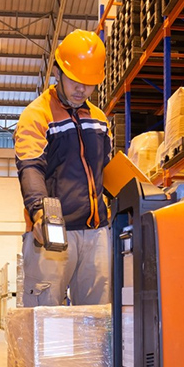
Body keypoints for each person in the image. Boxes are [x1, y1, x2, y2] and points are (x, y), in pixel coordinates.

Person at [14, 29, 112, 307]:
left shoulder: (99, 119)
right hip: (53, 231)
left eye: (89, 84)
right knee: (44, 317)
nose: (82, 89)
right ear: (57, 72)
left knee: (98, 319)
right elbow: (30, 167)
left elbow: (106, 170)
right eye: (75, 80)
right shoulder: (37, 115)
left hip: (96, 233)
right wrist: (39, 212)